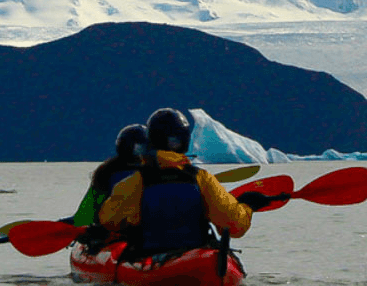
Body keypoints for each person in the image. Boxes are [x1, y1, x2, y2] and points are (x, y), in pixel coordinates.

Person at [99, 108, 275, 258]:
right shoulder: (202, 178)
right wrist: (246, 207)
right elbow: (234, 226)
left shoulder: (133, 183)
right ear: (185, 140)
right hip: (195, 257)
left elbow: (108, 220)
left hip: (149, 257)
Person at [71, 124, 148, 228]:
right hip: (116, 233)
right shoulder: (106, 173)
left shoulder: (107, 171)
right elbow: (86, 213)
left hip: (117, 233)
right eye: (140, 148)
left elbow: (84, 216)